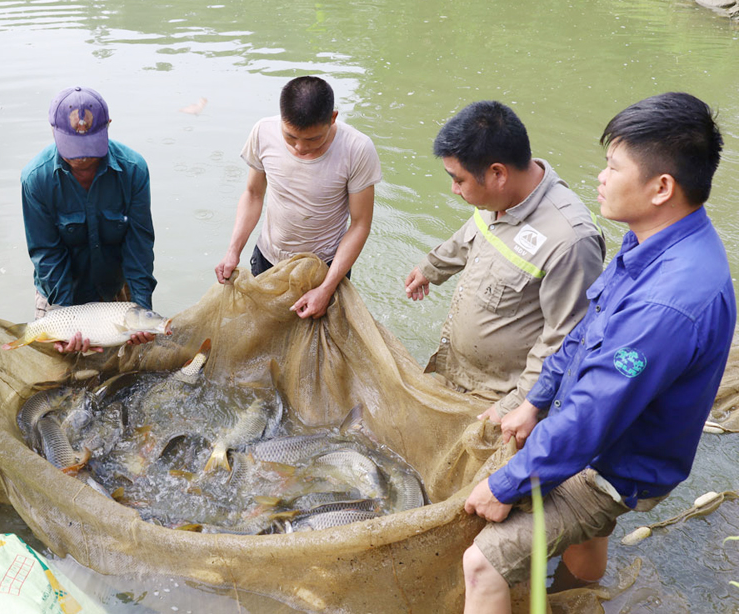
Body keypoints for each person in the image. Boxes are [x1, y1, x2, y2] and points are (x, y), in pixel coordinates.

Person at [462, 92, 735, 614]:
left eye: (613, 167)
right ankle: (577, 600)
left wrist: (505, 484)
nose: (601, 179)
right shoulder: (652, 241)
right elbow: (588, 329)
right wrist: (536, 400)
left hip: (619, 465)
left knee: (484, 562)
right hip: (604, 436)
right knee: (584, 532)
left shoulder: (668, 301)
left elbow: (594, 415)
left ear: (661, 187)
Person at [403, 101, 605, 419]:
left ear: (498, 173)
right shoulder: (497, 197)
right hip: (460, 374)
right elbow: (475, 232)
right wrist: (433, 267)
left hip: (500, 399)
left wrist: (517, 405)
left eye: (459, 180)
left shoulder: (570, 240)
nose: (453, 189)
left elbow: (565, 336)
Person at [214, 76, 382, 319]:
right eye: (290, 137)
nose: (300, 148)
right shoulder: (263, 132)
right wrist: (233, 251)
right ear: (282, 119)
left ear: (332, 118)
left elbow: (360, 225)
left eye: (313, 139)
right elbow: (253, 195)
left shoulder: (357, 149)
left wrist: (326, 289)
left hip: (324, 267)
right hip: (268, 258)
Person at [21, 86, 156, 353]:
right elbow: (47, 254)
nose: (82, 157)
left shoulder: (134, 170)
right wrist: (63, 321)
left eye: (89, 146)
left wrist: (143, 310)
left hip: (116, 291)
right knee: (60, 377)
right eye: (73, 147)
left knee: (124, 373)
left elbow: (139, 248)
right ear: (53, 131)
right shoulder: (36, 179)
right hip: (57, 292)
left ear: (108, 127)